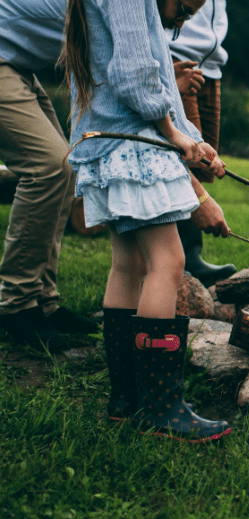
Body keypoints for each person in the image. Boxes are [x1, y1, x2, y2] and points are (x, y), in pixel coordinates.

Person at [62, 0, 231, 442]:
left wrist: (195, 143)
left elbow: (150, 83)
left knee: (129, 266)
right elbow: (135, 74)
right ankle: (161, 408)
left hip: (108, 143)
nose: (187, 16)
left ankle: (127, 400)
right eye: (186, 5)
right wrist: (176, 138)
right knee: (168, 263)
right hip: (132, 146)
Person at [0, 0, 101, 352]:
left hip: (18, 66)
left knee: (66, 166)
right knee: (49, 166)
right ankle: (15, 304)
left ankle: (43, 301)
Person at [167, 0, 237, 285]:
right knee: (180, 155)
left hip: (212, 64)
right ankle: (180, 256)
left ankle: (187, 255)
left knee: (202, 164)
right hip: (177, 57)